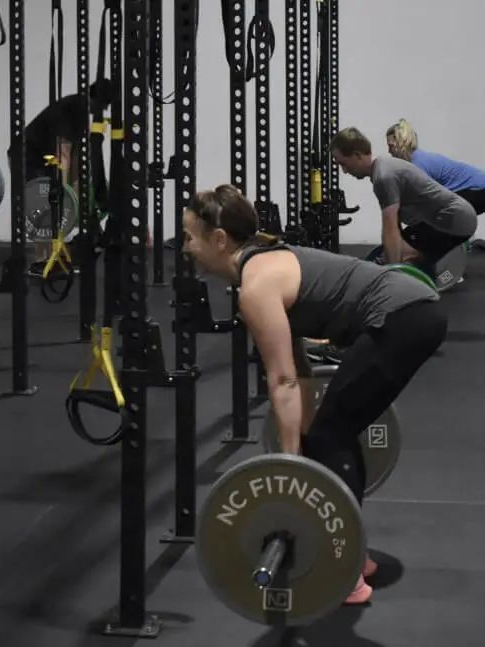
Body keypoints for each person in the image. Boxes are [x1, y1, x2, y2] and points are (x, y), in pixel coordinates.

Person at [181, 184, 447, 605]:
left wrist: (290, 468)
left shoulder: (255, 286)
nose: (186, 247)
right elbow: (298, 365)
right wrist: (300, 443)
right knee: (332, 431)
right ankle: (355, 558)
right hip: (414, 312)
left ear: (218, 240)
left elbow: (282, 380)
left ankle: (347, 574)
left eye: (189, 237)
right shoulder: (265, 264)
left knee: (329, 435)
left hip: (403, 319)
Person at [330, 127, 477, 279]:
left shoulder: (384, 176)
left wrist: (391, 274)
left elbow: (390, 229)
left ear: (357, 155)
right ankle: (422, 275)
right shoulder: (382, 167)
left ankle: (411, 280)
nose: (344, 171)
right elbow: (397, 226)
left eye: (344, 164)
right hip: (449, 219)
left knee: (402, 257)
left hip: (455, 220)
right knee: (396, 255)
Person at [16, 79, 116, 274]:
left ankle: (48, 259)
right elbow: (64, 151)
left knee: (54, 201)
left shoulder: (81, 110)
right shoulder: (76, 107)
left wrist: (77, 184)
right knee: (45, 203)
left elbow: (76, 154)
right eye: (103, 106)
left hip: (44, 157)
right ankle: (41, 261)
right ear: (96, 99)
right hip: (27, 156)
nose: (102, 111)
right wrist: (63, 191)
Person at [386, 119, 485, 214]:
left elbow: (425, 201)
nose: (389, 151)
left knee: (429, 223)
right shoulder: (417, 159)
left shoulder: (418, 165)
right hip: (476, 188)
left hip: (477, 189)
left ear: (400, 144)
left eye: (391, 146)